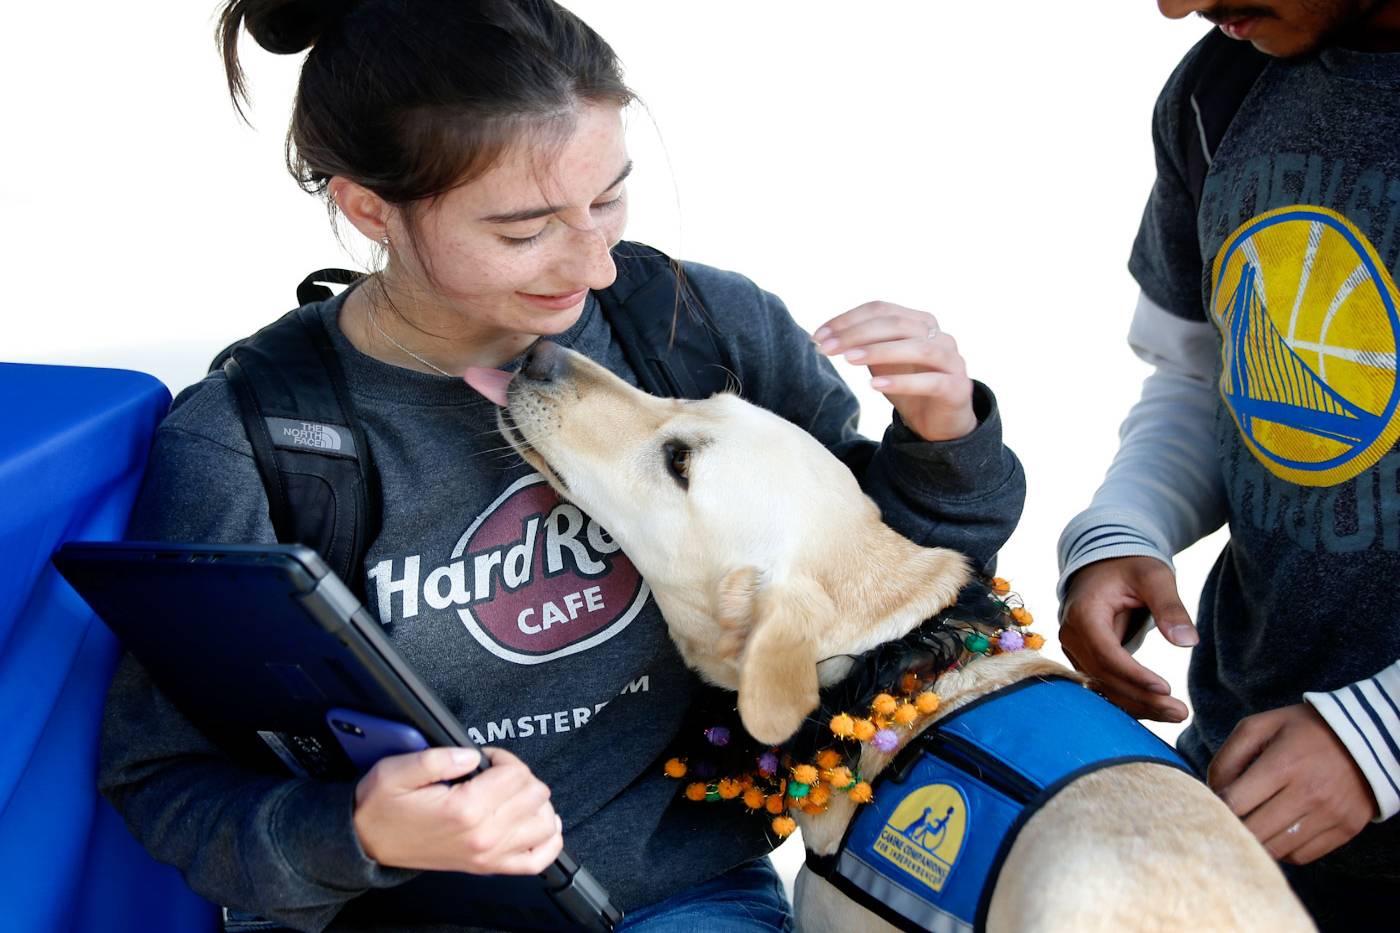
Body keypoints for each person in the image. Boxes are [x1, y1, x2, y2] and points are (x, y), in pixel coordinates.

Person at [98, 1, 1026, 930]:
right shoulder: (250, 443)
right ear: (368, 206)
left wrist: (944, 436)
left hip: (679, 898)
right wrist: (358, 833)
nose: (597, 263)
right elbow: (160, 776)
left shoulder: (696, 336)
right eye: (524, 228)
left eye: (609, 196)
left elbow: (887, 591)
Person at [1056, 2, 1400, 929]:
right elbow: (1210, 374)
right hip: (1242, 801)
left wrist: (1382, 737)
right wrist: (1126, 526)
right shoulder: (1219, 87)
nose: (1172, 3)